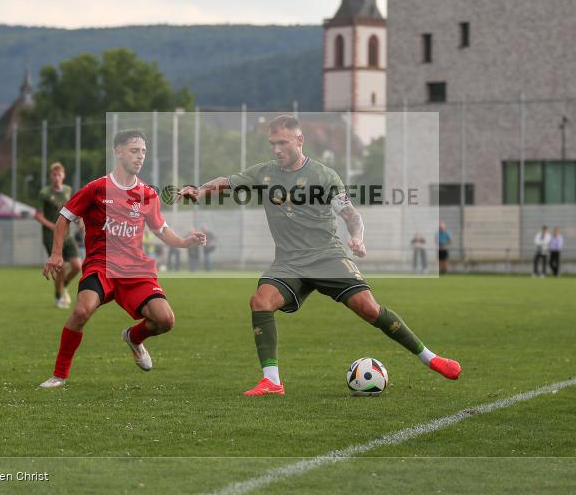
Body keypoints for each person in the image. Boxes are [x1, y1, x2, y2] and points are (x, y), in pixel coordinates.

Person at [178, 115, 461, 396]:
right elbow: (228, 182)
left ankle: (430, 358)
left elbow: (350, 214)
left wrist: (357, 237)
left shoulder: (324, 176)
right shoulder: (264, 173)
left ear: (300, 140)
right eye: (272, 143)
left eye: (283, 143)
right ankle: (272, 381)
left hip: (326, 256)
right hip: (289, 262)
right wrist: (200, 190)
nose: (277, 150)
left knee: (369, 309)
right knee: (260, 301)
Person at [39, 130, 206, 388]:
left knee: (165, 321)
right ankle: (59, 375)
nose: (140, 156)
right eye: (134, 150)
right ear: (118, 152)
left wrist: (184, 241)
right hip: (100, 266)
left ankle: (134, 337)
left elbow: (161, 229)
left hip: (135, 270)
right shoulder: (96, 188)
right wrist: (57, 253)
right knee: (82, 311)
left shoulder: (147, 194)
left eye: (143, 151)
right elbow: (64, 218)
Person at [34, 162, 83, 309]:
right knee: (59, 267)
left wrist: (79, 220)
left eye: (59, 174)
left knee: (77, 266)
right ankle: (58, 297)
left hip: (67, 235)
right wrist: (53, 226)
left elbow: (73, 210)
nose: (56, 177)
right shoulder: (45, 193)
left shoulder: (68, 190)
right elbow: (37, 215)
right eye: (54, 175)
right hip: (51, 236)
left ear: (63, 175)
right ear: (50, 176)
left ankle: (63, 287)